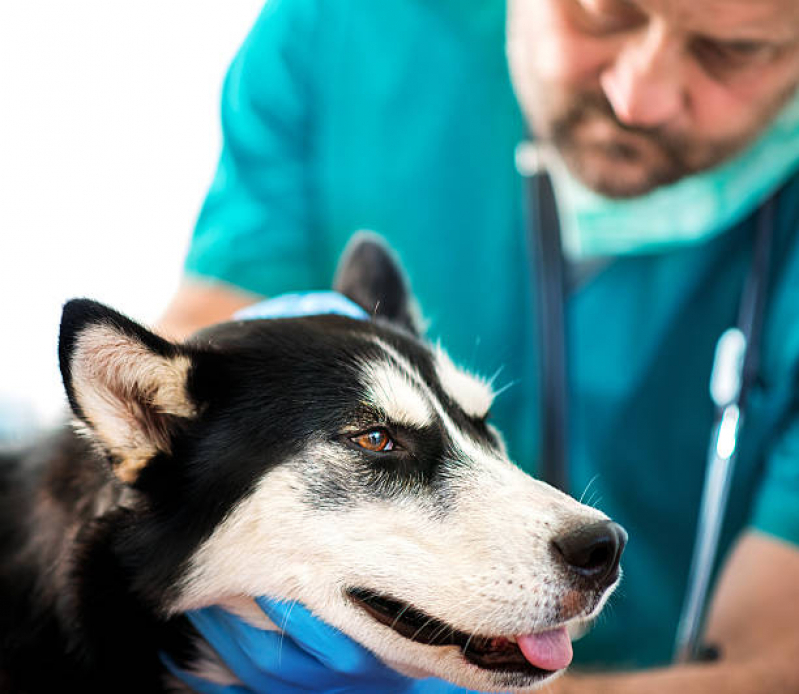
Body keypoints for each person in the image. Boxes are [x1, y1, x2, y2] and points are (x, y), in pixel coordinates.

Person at [157, 0, 799, 691]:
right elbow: (186, 374)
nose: (637, 98)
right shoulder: (347, 29)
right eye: (599, 15)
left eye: (731, 52)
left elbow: (774, 661)